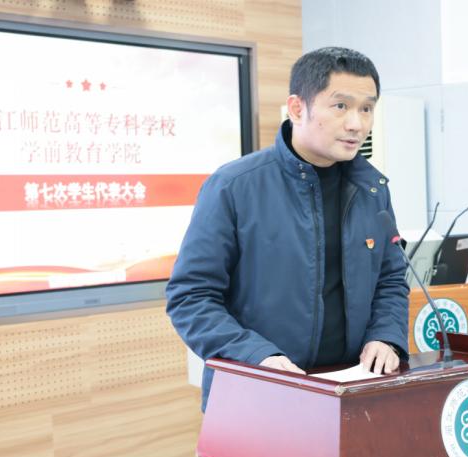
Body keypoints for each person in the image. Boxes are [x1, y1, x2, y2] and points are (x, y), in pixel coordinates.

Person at [166, 47, 409, 412]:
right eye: (340, 106)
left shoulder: (372, 189)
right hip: (258, 394)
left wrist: (386, 336)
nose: (356, 124)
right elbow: (191, 296)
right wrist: (257, 356)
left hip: (350, 394)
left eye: (366, 108)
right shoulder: (234, 186)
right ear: (297, 108)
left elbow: (390, 280)